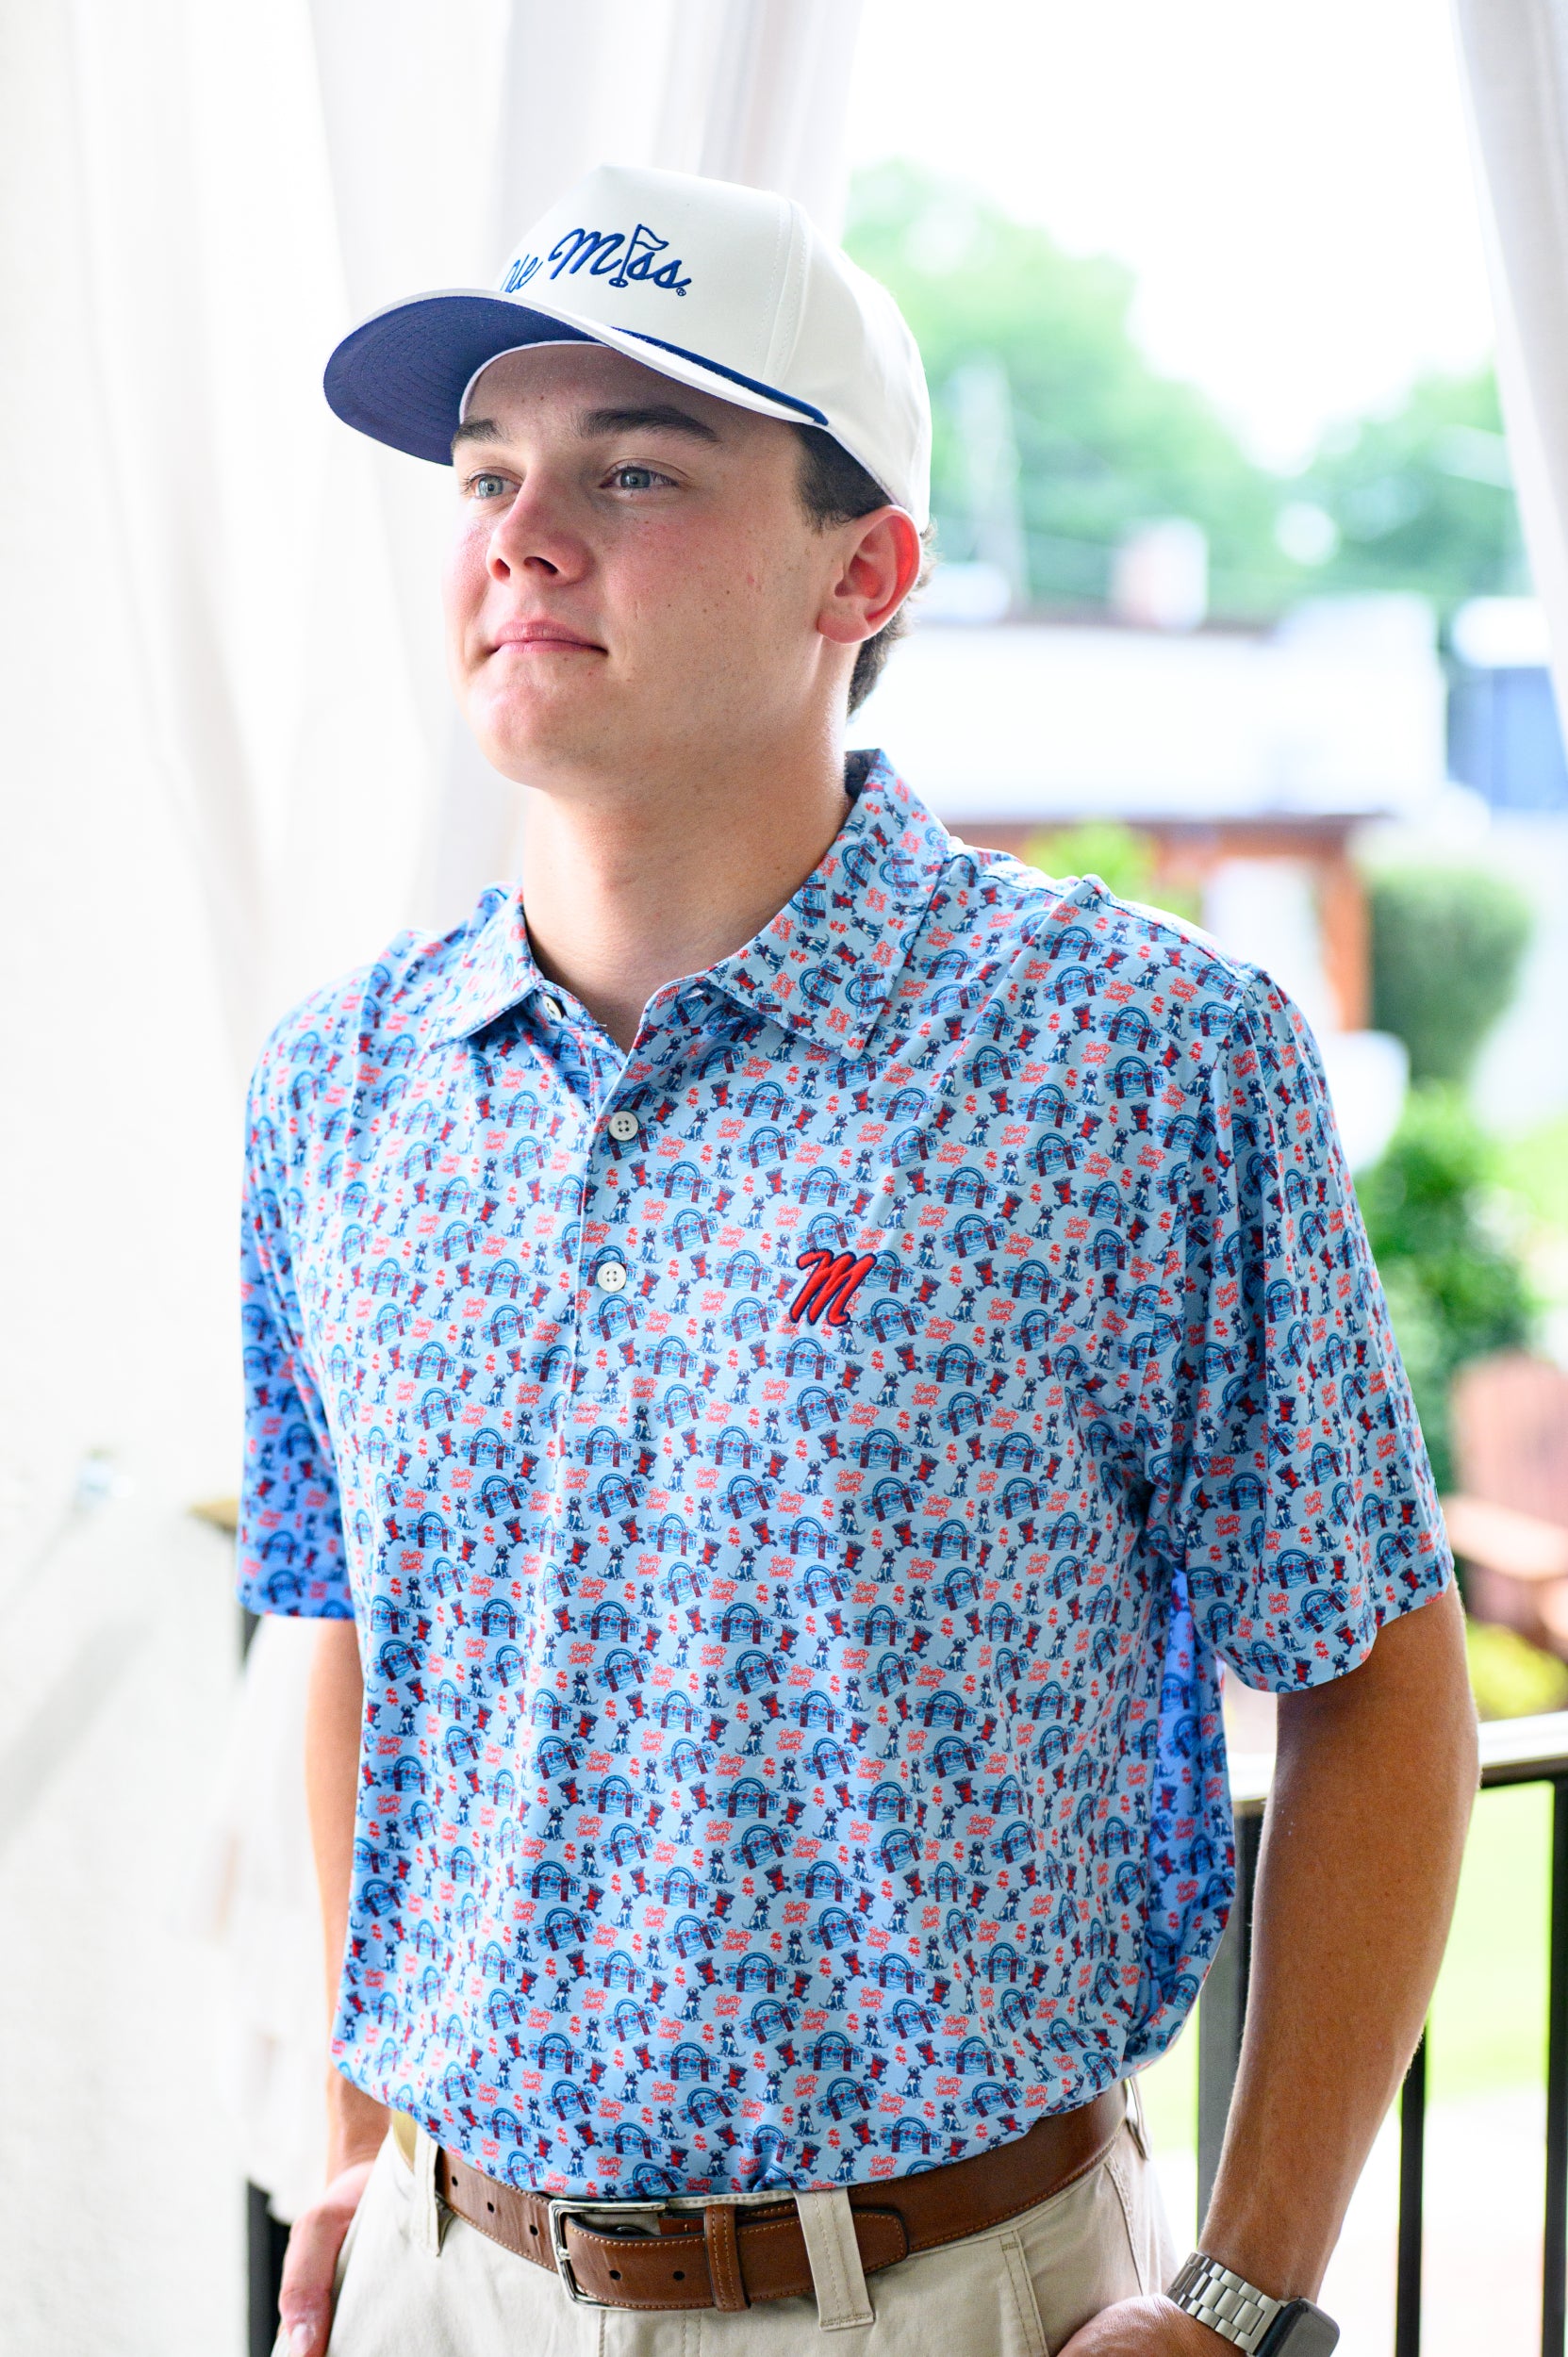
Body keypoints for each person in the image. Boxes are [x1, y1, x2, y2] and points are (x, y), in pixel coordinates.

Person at [237, 162, 1477, 2357]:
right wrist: (354, 2122)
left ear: (864, 565)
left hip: (943, 2297)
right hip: (441, 2279)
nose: (526, 532)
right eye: (489, 470)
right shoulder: (340, 1089)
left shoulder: (1140, 1058)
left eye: (636, 467)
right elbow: (353, 1629)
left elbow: (1374, 1682)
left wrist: (1246, 2288)